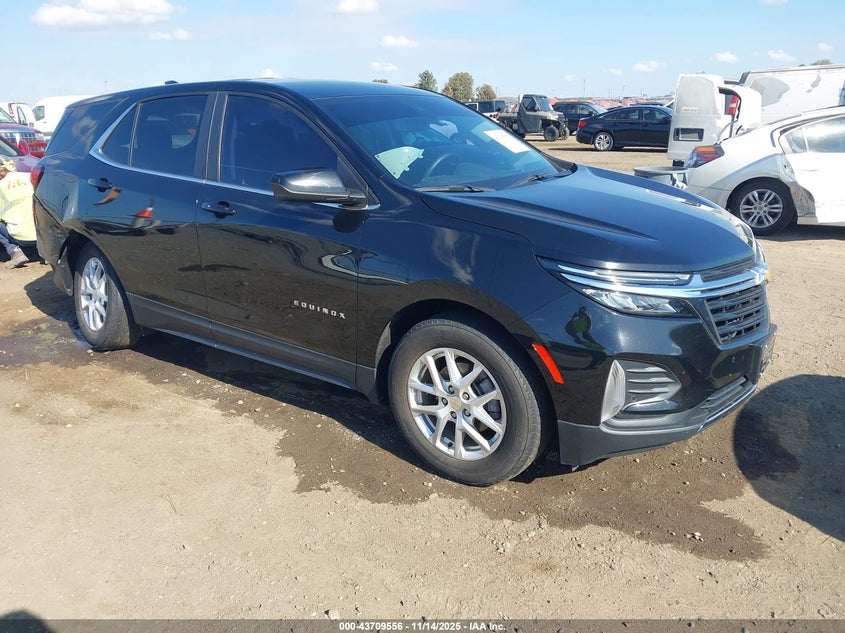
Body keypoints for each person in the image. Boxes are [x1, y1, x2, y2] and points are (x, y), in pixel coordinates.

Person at [0, 158, 35, 269]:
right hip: (43, 235)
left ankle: (15, 252)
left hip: (21, 238)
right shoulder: (29, 176)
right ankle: (49, 252)